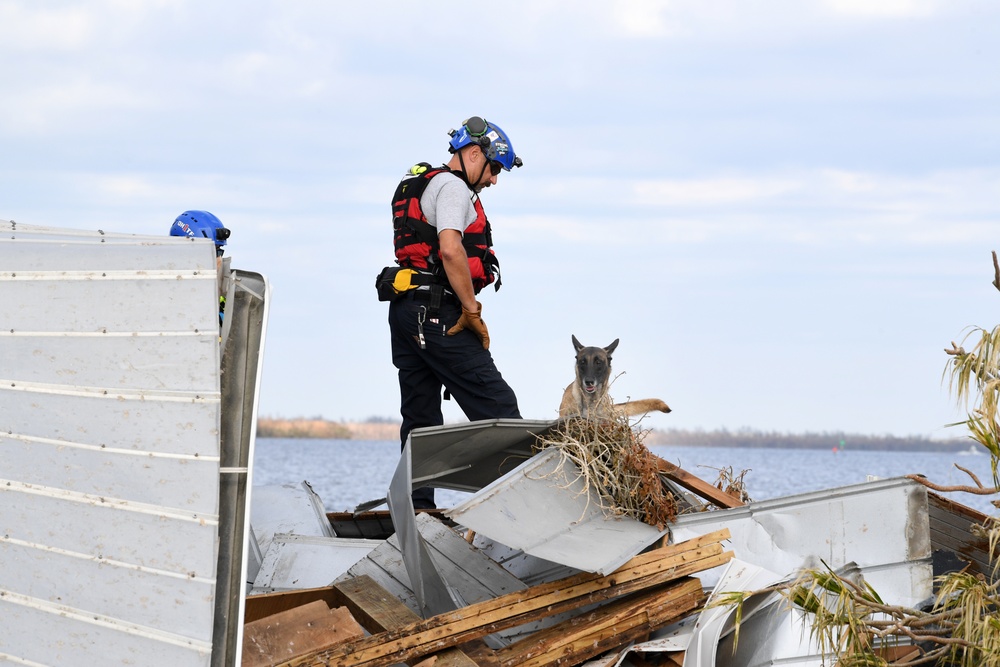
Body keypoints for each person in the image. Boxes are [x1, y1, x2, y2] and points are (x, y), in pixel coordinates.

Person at [381, 116, 524, 509]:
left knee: (420, 420)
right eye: (494, 169)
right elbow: (449, 248)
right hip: (436, 313)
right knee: (499, 407)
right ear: (474, 153)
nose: (494, 180)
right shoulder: (453, 187)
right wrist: (471, 309)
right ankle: (519, 507)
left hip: (406, 310)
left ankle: (418, 511)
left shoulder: (426, 183)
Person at [170, 210, 232, 326]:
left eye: (219, 251)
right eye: (209, 252)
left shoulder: (223, 296)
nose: (217, 260)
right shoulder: (160, 290)